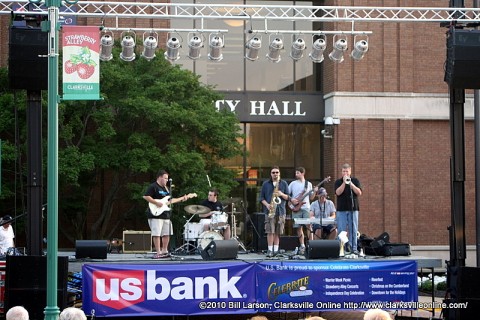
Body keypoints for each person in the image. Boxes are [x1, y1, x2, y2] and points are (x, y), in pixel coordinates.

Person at [143, 169, 190, 259]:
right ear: (159, 177)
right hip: (155, 214)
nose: (167, 180)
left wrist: (183, 198)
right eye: (165, 178)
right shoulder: (153, 186)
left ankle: (165, 250)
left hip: (166, 214)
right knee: (157, 233)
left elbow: (169, 201)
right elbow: (146, 196)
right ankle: (158, 252)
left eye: (167, 178)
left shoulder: (166, 189)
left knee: (166, 233)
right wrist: (156, 203)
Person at [260, 166, 289, 257]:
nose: (275, 174)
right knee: (270, 231)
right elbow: (261, 198)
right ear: (271, 174)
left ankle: (276, 250)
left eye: (277, 172)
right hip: (270, 210)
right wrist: (267, 205)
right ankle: (269, 250)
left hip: (280, 211)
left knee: (278, 231)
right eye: (273, 172)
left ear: (279, 173)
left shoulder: (283, 183)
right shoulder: (266, 184)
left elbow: (288, 197)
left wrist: (281, 194)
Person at [288, 167, 318, 255]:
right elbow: (288, 194)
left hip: (306, 207)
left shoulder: (308, 184)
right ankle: (302, 245)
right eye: (296, 173)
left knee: (309, 226)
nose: (296, 174)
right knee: (298, 227)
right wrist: (292, 200)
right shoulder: (293, 184)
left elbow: (311, 198)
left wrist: (315, 192)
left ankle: (311, 244)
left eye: (297, 173)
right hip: (296, 207)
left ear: (302, 173)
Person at [334, 163, 362, 254]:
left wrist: (351, 184)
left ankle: (353, 248)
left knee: (353, 228)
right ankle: (342, 249)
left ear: (350, 171)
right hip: (341, 209)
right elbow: (338, 193)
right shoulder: (338, 182)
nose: (345, 173)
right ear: (341, 172)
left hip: (353, 209)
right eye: (343, 171)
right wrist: (344, 183)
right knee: (342, 229)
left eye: (347, 171)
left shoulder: (355, 180)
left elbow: (359, 193)